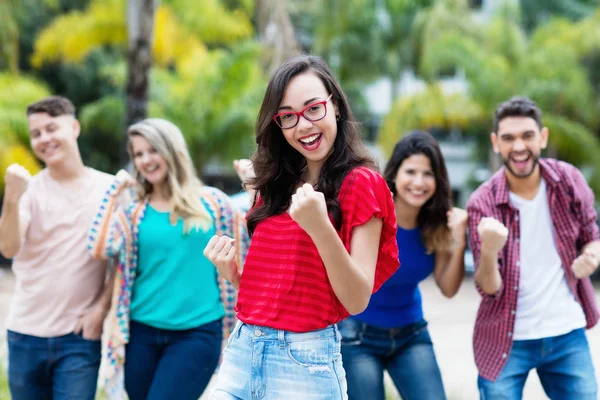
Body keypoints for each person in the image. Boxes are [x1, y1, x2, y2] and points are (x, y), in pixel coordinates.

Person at [203, 54, 400, 400]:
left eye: (313, 109)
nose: (304, 126)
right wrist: (234, 274)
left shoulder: (361, 183)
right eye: (288, 117)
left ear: (335, 105)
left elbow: (356, 299)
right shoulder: (274, 185)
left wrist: (320, 227)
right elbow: (285, 289)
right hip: (243, 350)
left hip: (304, 363)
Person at [87, 118, 250, 400]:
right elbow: (98, 248)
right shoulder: (133, 213)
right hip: (140, 334)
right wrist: (114, 191)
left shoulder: (214, 204)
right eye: (138, 154)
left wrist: (254, 186)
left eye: (153, 150)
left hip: (198, 333)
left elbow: (251, 247)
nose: (145, 160)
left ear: (172, 151)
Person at [467, 96, 599, 399]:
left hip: (566, 332)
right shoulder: (482, 203)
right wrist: (489, 251)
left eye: (527, 136)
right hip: (505, 339)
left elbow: (593, 234)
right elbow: (488, 287)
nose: (518, 147)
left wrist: (591, 256)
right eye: (508, 138)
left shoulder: (568, 180)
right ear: (495, 143)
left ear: (542, 137)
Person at [0, 96, 115, 400]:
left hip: (78, 338)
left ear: (74, 127)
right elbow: (9, 247)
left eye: (52, 128)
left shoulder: (110, 189)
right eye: (36, 134)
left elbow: (123, 262)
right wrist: (11, 197)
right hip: (25, 335)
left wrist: (100, 311)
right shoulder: (29, 191)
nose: (44, 139)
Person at [338, 131, 468, 400]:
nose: (419, 182)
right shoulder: (373, 213)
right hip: (357, 335)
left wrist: (460, 239)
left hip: (411, 333)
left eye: (428, 174)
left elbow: (448, 288)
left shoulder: (437, 224)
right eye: (411, 172)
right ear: (395, 175)